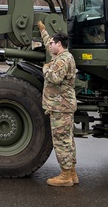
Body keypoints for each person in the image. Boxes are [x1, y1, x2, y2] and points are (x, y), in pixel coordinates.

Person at [43, 32, 78, 187]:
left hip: (60, 106)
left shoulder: (63, 60)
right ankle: (72, 173)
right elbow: (47, 44)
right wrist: (44, 32)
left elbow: (54, 78)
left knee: (61, 141)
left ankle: (65, 176)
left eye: (52, 43)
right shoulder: (62, 57)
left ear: (59, 44)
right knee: (68, 140)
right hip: (63, 105)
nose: (49, 46)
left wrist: (45, 68)